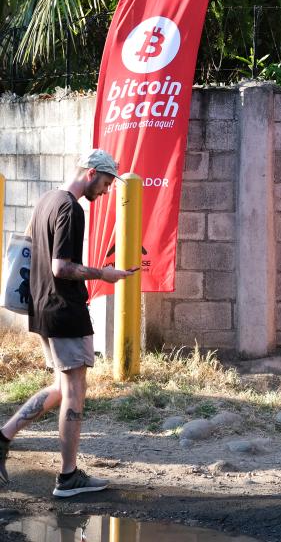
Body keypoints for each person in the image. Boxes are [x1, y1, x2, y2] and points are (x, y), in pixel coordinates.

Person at [0, 149, 138, 496]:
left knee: (62, 387)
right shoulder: (71, 208)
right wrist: (104, 274)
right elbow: (62, 267)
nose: (106, 191)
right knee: (75, 391)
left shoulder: (46, 199)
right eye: (106, 183)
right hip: (65, 310)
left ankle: (2, 436)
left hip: (43, 308)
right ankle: (68, 476)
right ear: (92, 173)